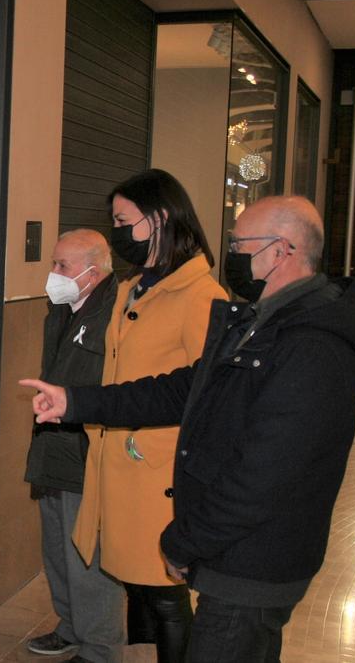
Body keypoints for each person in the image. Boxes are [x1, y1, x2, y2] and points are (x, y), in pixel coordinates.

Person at [24, 196, 355, 662]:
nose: (229, 253)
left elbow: (264, 474)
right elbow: (180, 390)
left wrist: (186, 541)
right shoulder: (262, 324)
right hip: (239, 557)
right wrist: (75, 400)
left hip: (253, 564)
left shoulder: (310, 346)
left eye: (239, 244)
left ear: (282, 251)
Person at [81, 169, 226, 662]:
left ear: (159, 218)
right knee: (137, 584)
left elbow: (207, 397)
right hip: (119, 461)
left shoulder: (203, 296)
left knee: (165, 592)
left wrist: (152, 443)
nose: (118, 232)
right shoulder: (131, 288)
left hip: (158, 468)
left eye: (124, 221)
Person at [22, 230, 123, 662]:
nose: (53, 274)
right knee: (58, 553)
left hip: (88, 454)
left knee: (88, 560)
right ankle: (70, 627)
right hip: (53, 446)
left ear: (93, 273)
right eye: (53, 263)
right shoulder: (61, 310)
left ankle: (101, 648)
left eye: (62, 266)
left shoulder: (117, 315)